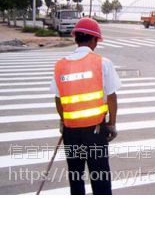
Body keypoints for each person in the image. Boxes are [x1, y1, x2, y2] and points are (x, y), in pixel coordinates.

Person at [50, 18, 121, 195]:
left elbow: (58, 99)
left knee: (76, 178)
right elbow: (111, 96)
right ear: (94, 40)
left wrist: (63, 121)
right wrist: (111, 124)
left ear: (76, 38)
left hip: (71, 132)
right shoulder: (102, 63)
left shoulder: (61, 65)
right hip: (95, 132)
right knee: (100, 179)